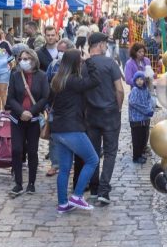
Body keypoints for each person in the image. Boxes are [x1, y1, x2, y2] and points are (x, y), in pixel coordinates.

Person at [49, 49, 101, 213]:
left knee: (64, 168)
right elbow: (95, 80)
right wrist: (89, 60)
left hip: (57, 130)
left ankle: (63, 204)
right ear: (76, 63)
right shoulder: (74, 81)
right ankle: (77, 196)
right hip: (72, 129)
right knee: (93, 159)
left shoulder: (56, 80)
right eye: (80, 61)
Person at [80, 32, 124, 205]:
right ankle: (104, 191)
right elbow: (119, 89)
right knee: (111, 152)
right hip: (110, 112)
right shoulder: (110, 63)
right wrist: (119, 106)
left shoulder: (84, 66)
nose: (106, 46)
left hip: (91, 113)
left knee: (93, 152)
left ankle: (95, 188)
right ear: (99, 44)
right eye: (105, 44)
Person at [6, 48, 49, 196]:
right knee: (17, 150)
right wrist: (21, 112)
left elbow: (45, 97)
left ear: (34, 60)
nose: (23, 61)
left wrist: (31, 112)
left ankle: (31, 182)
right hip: (17, 119)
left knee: (32, 151)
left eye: (27, 58)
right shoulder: (15, 75)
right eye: (21, 59)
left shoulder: (42, 76)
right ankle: (18, 183)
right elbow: (10, 97)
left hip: (34, 119)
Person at [45, 38, 74, 177]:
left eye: (63, 51)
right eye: (59, 51)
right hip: (55, 107)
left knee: (72, 135)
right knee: (53, 136)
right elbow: (46, 85)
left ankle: (70, 163)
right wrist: (46, 105)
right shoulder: (53, 65)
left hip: (72, 108)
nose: (60, 53)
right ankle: (55, 164)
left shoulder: (76, 66)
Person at [128, 71, 153, 164]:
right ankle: (136, 156)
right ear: (135, 80)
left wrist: (150, 108)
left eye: (141, 79)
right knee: (136, 139)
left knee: (143, 138)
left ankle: (140, 154)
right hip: (136, 120)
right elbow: (133, 103)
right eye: (137, 79)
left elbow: (149, 100)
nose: (139, 81)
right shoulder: (135, 90)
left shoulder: (145, 90)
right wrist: (146, 110)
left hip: (144, 119)